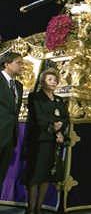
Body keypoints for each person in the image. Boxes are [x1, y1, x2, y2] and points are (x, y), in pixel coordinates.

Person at [23, 68, 69, 214]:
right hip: (39, 140)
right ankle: (30, 209)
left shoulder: (59, 100)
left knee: (47, 175)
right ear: (43, 81)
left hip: (54, 142)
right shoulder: (35, 97)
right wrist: (54, 127)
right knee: (35, 175)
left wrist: (61, 129)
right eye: (50, 79)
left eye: (55, 80)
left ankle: (39, 208)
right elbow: (38, 117)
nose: (53, 82)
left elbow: (65, 118)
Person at [0, 52, 24, 192]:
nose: (22, 66)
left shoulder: (19, 86)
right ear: (6, 64)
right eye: (18, 62)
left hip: (9, 137)